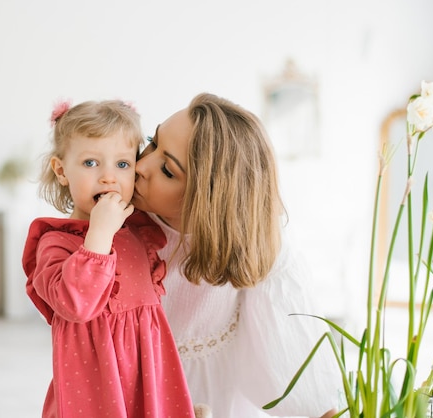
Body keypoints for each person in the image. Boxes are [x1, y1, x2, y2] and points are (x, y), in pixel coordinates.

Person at [132, 93, 342, 418]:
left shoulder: (260, 247)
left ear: (210, 195)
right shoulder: (120, 224)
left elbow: (292, 352)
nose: (141, 165)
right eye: (152, 142)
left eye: (168, 170)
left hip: (215, 400)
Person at [22, 99, 197, 418]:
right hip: (93, 388)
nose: (108, 178)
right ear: (61, 171)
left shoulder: (139, 234)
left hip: (146, 378)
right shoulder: (56, 243)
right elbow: (76, 304)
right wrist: (99, 234)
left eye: (122, 164)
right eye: (91, 163)